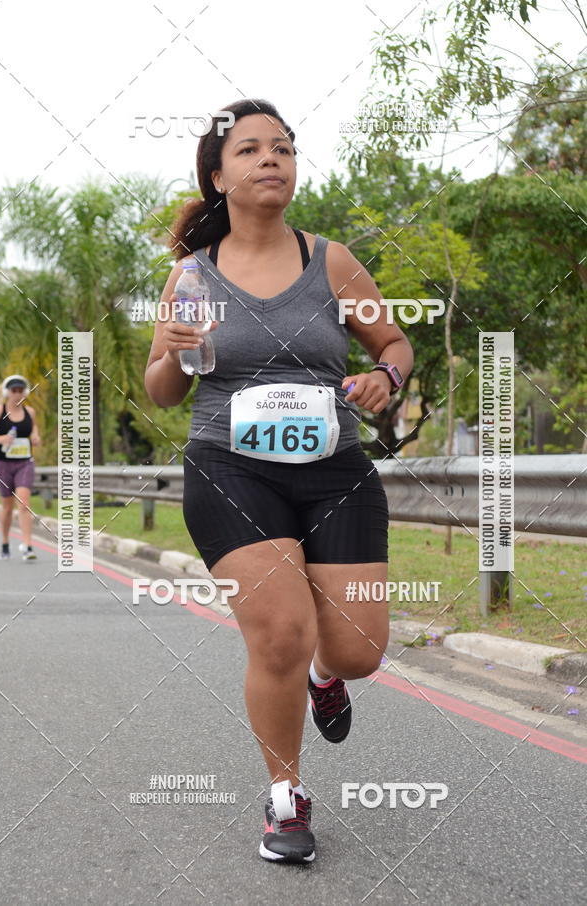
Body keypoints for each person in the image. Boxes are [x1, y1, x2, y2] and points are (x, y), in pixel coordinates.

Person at [144, 99, 413, 864]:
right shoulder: (189, 277)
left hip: (334, 471)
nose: (271, 159)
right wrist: (169, 349)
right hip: (230, 469)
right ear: (218, 174)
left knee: (357, 649)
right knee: (281, 635)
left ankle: (331, 677)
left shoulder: (330, 261)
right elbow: (164, 390)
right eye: (252, 149)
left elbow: (392, 339)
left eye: (284, 148)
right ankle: (286, 797)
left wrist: (384, 376)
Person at [0, 374, 41, 560]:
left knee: (24, 503)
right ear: (7, 393)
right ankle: (4, 541)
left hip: (25, 463)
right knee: (7, 507)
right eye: (14, 391)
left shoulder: (30, 412)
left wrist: (35, 437)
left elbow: (33, 429)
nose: (17, 394)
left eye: (20, 391)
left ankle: (27, 546)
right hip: (3, 465)